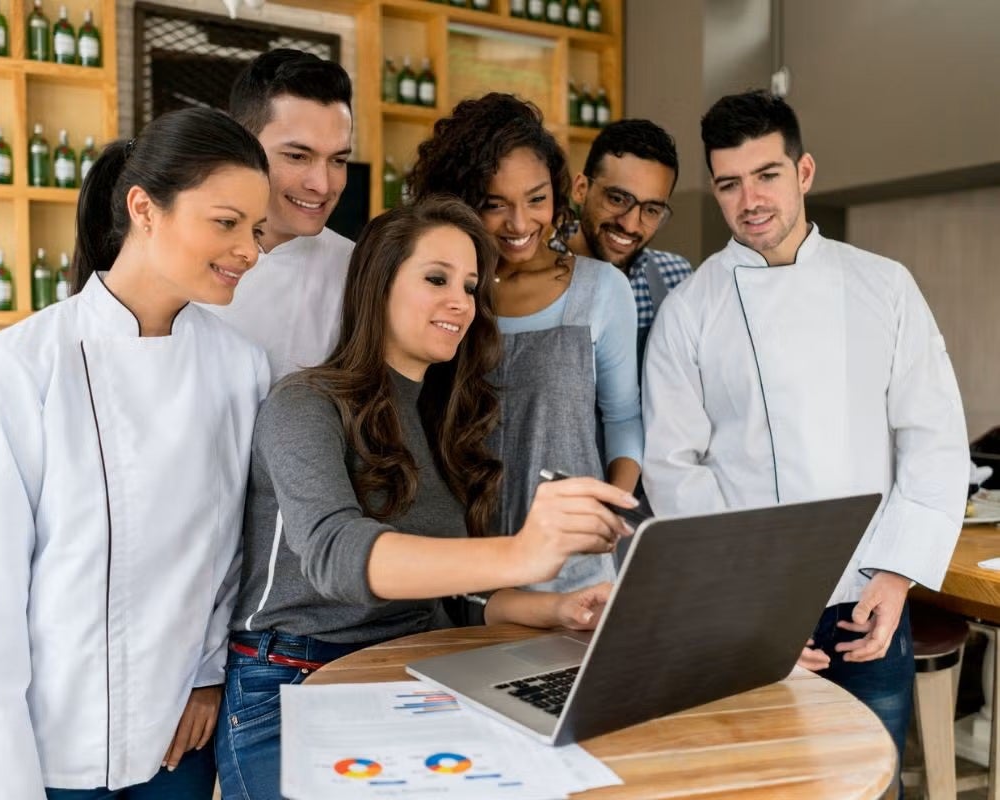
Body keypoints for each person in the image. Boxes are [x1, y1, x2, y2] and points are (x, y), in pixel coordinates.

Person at [216, 196, 635, 800]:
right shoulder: (303, 404)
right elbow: (336, 556)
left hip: (414, 672)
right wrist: (521, 553)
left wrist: (557, 610)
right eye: (436, 279)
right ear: (378, 284)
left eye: (470, 286)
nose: (461, 303)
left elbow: (454, 597)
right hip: (289, 684)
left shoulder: (448, 423)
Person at [0, 107, 271, 799]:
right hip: (46, 745)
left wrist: (210, 676)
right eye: (226, 222)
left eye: (256, 228)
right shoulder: (15, 368)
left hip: (179, 742)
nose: (250, 250)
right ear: (144, 209)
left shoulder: (243, 368)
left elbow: (235, 552)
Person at [642, 89, 968, 766]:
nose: (750, 200)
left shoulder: (885, 286)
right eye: (729, 184)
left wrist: (898, 576)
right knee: (758, 780)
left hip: (868, 597)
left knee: (872, 780)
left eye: (767, 175)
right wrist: (749, 611)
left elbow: (932, 436)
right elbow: (674, 468)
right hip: (749, 608)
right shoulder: (690, 310)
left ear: (804, 172)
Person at [407, 93, 643, 592]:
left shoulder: (600, 290)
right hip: (457, 566)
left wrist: (607, 517)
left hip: (572, 572)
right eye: (495, 204)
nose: (519, 224)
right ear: (461, 201)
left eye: (536, 199)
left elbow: (623, 418)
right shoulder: (444, 296)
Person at [208, 48, 355, 381]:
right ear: (241, 144)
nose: (322, 185)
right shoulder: (181, 259)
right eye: (297, 156)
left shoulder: (358, 271)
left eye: (338, 160)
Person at [567, 118, 693, 371]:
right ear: (581, 189)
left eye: (651, 209)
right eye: (617, 199)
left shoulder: (677, 278)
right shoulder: (533, 273)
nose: (630, 225)